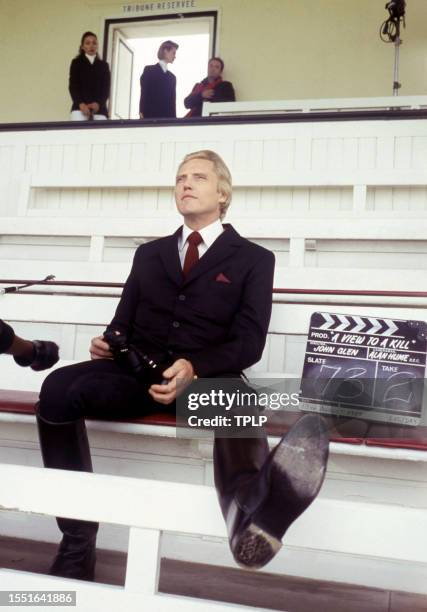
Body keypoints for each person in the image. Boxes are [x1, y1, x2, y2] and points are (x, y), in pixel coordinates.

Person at [36, 150, 329, 581]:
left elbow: (248, 343)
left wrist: (194, 367)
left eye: (198, 178)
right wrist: (108, 344)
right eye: (180, 179)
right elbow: (122, 324)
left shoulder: (253, 259)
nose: (185, 185)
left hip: (204, 381)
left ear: (222, 193)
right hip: (138, 380)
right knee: (57, 388)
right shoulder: (149, 254)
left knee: (237, 399)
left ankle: (247, 512)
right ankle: (77, 542)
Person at [69, 31, 110, 121]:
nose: (91, 46)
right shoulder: (76, 63)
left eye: (94, 43)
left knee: (100, 134)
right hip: (79, 108)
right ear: (82, 47)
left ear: (97, 46)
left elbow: (106, 88)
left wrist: (98, 104)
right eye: (88, 43)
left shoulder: (104, 65)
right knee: (78, 134)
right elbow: (73, 86)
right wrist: (81, 104)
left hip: (100, 110)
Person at [139, 40, 178, 119]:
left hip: (166, 121)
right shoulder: (149, 70)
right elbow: (144, 93)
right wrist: (141, 111)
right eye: (173, 53)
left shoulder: (172, 78)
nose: (175, 56)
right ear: (165, 51)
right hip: (150, 117)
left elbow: (172, 103)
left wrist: (174, 121)